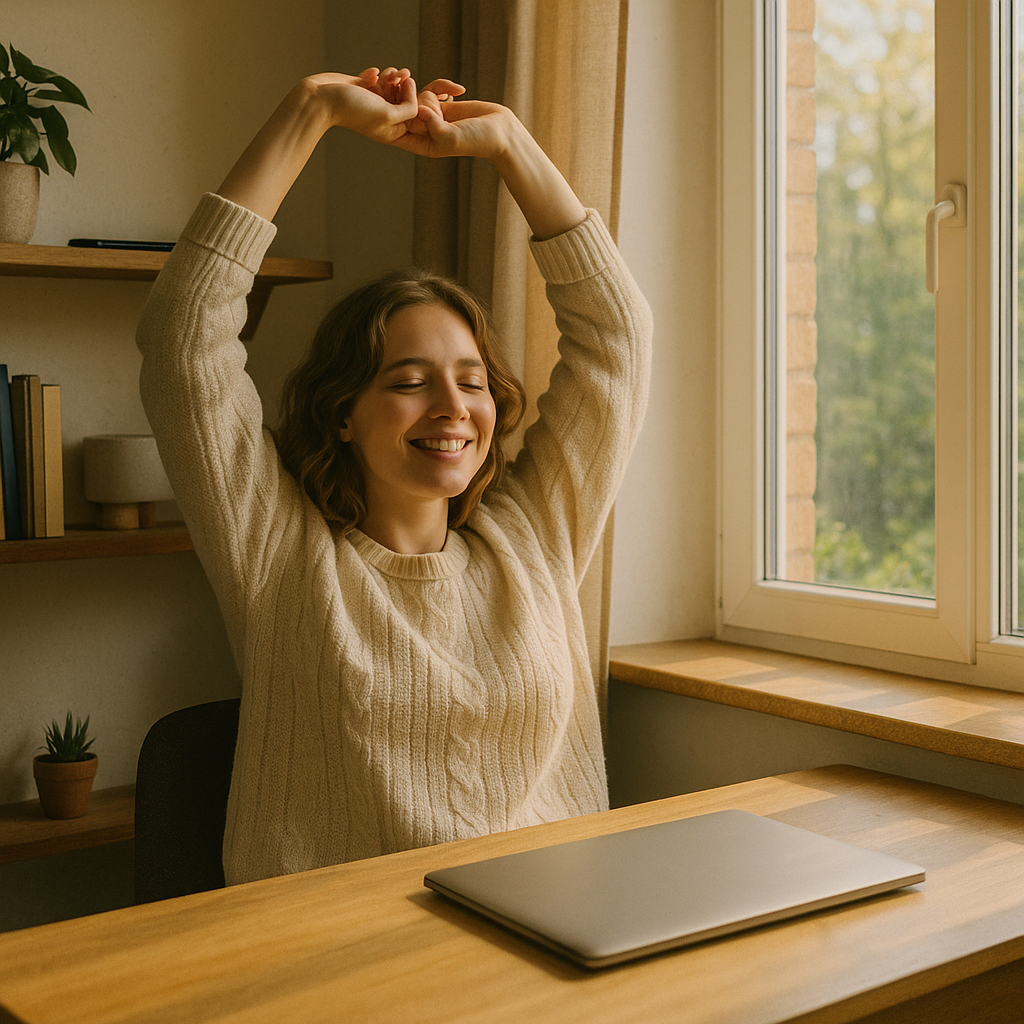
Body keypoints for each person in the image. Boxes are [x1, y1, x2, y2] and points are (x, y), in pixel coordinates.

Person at [137, 66, 652, 885]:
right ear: (345, 411)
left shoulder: (535, 544)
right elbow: (182, 342)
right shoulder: (281, 557)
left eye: (473, 380)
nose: (452, 407)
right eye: (409, 382)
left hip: (548, 939)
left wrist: (512, 143)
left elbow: (617, 341)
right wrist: (310, 108)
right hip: (345, 966)